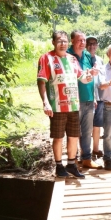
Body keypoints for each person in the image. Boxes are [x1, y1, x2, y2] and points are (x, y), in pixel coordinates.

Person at [37, 31, 93, 178]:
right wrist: (45, 102)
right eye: (59, 41)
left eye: (65, 41)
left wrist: (91, 74)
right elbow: (41, 81)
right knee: (58, 137)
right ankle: (58, 165)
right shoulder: (46, 58)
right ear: (54, 43)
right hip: (57, 106)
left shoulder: (72, 59)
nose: (63, 44)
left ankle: (71, 164)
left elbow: (83, 78)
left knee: (74, 136)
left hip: (74, 105)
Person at [66, 31, 101, 170]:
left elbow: (90, 77)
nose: (82, 43)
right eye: (79, 40)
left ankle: (86, 159)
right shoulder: (67, 55)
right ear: (72, 41)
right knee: (73, 132)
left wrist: (93, 97)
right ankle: (72, 161)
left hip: (89, 99)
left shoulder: (87, 55)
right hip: (74, 100)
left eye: (84, 40)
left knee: (87, 131)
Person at [87, 36, 105, 159]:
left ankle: (96, 149)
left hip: (99, 96)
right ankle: (85, 151)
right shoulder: (82, 58)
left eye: (94, 44)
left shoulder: (100, 60)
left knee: (97, 125)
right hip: (87, 97)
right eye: (89, 44)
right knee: (85, 126)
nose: (92, 46)